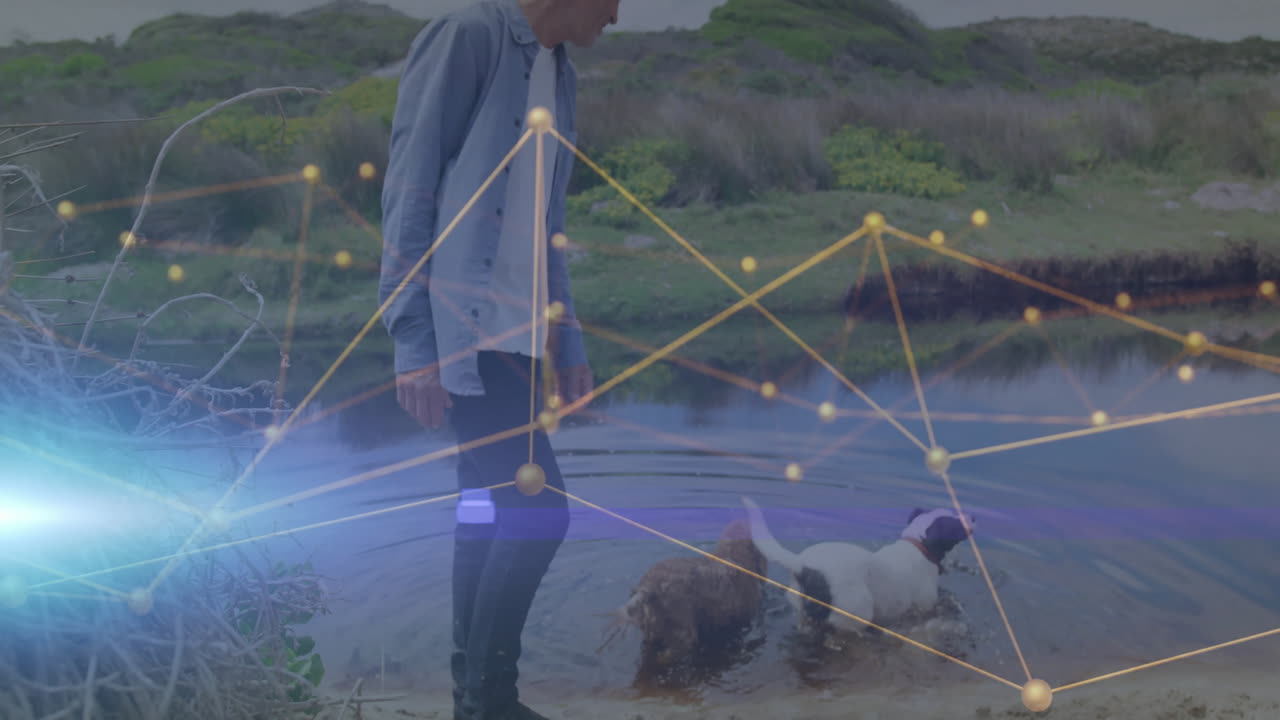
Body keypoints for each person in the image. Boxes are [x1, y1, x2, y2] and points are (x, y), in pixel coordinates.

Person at [377, 1, 621, 719]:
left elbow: (547, 225)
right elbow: (410, 186)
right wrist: (414, 344)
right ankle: (491, 702)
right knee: (540, 513)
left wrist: (566, 340)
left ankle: (473, 701)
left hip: (518, 334)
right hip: (462, 332)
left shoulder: (559, 72)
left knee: (485, 512)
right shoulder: (469, 38)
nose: (618, 15)